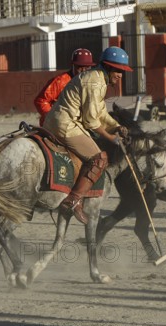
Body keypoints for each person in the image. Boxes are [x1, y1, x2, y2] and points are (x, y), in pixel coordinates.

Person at [43, 46, 130, 224]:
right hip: (65, 125)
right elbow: (91, 121)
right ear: (108, 66)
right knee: (100, 158)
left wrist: (117, 126)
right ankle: (72, 200)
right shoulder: (95, 82)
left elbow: (102, 114)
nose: (121, 75)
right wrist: (110, 138)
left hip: (61, 122)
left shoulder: (99, 79)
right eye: (118, 71)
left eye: (122, 71)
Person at [34, 48, 96, 126]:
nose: (83, 70)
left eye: (87, 67)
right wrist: (53, 117)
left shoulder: (91, 83)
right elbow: (41, 101)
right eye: (79, 67)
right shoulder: (60, 81)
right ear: (73, 65)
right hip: (56, 125)